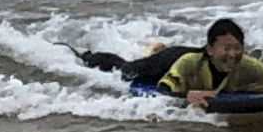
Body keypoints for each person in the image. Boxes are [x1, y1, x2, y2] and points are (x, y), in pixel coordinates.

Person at [156, 18, 263, 109]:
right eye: (226, 48)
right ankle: (155, 47)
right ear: (210, 49)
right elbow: (161, 92)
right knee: (148, 65)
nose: (232, 54)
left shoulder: (246, 64)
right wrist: (186, 98)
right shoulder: (189, 62)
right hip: (167, 60)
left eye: (237, 48)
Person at [63, 41, 203, 89]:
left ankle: (155, 48)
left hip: (175, 56)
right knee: (125, 69)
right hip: (166, 61)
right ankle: (85, 56)